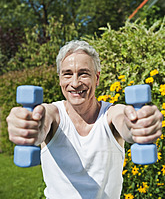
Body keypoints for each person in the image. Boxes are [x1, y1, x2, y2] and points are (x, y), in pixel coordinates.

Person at [7, 40, 163, 199]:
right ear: (60, 79)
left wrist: (137, 125)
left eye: (83, 73)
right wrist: (28, 126)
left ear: (97, 78)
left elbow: (124, 120)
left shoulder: (110, 115)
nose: (75, 83)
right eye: (67, 74)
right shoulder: (53, 114)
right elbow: (41, 122)